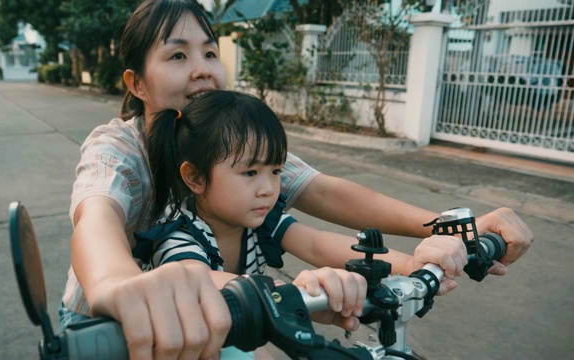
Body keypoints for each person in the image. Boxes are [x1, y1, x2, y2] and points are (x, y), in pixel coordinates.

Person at [60, 0, 534, 358]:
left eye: (209, 51)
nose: (203, 68)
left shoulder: (233, 144)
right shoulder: (119, 148)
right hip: (109, 332)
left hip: (218, 319)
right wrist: (119, 285)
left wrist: (448, 231)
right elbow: (97, 216)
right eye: (178, 56)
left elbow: (320, 193)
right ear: (137, 83)